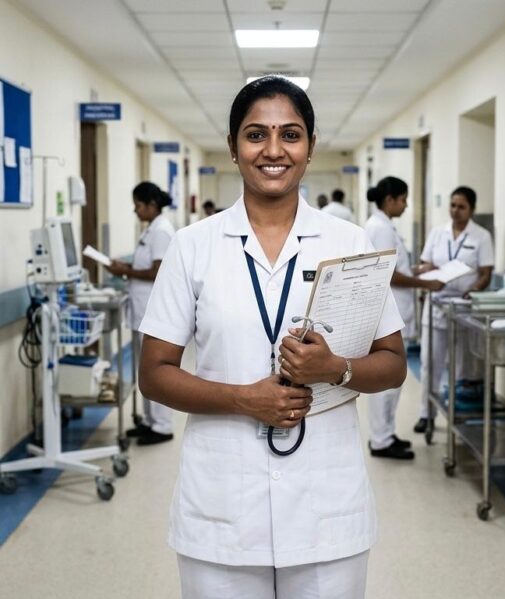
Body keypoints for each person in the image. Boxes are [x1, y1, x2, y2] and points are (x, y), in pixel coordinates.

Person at [137, 75, 406, 597]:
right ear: (233, 146)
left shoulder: (349, 241)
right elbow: (154, 374)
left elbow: (393, 362)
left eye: (291, 134)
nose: (274, 150)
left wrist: (336, 369)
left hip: (327, 505)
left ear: (310, 146)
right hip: (222, 507)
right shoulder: (193, 246)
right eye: (256, 134)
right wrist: (244, 399)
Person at [362, 176, 445, 459]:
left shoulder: (382, 226)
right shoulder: (381, 229)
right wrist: (426, 284)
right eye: (404, 199)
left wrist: (419, 270)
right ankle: (381, 440)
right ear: (390, 200)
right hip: (387, 313)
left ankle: (385, 434)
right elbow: (390, 275)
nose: (406, 205)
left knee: (391, 382)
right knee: (387, 379)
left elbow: (398, 268)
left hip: (392, 311)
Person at [413, 186, 494, 433]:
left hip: (464, 308)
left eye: (461, 207)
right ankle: (426, 414)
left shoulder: (481, 236)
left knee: (462, 366)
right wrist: (425, 270)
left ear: (472, 209)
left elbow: (486, 273)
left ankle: (458, 413)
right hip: (436, 305)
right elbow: (426, 263)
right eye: (453, 205)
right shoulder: (438, 233)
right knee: (430, 364)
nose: (455, 211)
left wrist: (474, 290)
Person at [105, 182, 176, 445]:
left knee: (155, 370)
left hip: (153, 310)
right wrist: (126, 267)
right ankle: (148, 421)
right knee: (144, 369)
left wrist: (124, 271)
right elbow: (146, 265)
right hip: (143, 310)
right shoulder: (152, 229)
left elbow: (158, 271)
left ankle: (162, 426)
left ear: (151, 205)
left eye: (138, 205)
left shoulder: (161, 231)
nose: (135, 210)